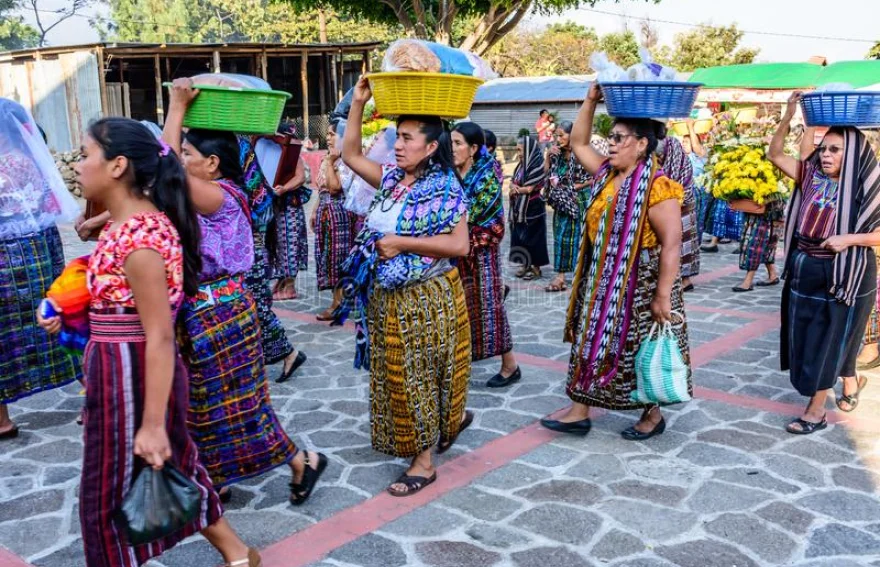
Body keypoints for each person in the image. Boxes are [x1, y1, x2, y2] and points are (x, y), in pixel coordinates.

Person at [41, 117, 260, 567]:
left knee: (107, 493)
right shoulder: (122, 229)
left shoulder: (142, 238)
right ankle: (238, 554)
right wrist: (74, 318)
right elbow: (118, 307)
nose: (78, 166)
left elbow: (158, 335)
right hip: (118, 370)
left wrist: (153, 423)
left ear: (118, 165)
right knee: (174, 465)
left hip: (134, 375)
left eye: (85, 155)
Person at [164, 80, 327, 505]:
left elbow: (162, 175)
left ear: (213, 163)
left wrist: (176, 108)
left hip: (221, 315)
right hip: (204, 313)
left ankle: (301, 461)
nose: (181, 160)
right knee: (206, 404)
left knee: (239, 406)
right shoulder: (202, 196)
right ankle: (215, 477)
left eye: (188, 155)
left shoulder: (222, 196)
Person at [340, 76, 472, 497]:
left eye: (408, 138)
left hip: (427, 298)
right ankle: (428, 434)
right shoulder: (393, 180)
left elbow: (459, 244)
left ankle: (424, 462)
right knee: (396, 375)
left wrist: (401, 242)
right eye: (397, 136)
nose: (398, 145)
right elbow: (349, 154)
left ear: (432, 147)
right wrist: (359, 103)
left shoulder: (446, 188)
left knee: (420, 376)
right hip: (386, 298)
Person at [541, 84, 691, 439]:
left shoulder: (658, 186)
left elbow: (672, 244)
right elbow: (578, 143)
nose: (610, 142)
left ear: (642, 144)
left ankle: (651, 414)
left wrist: (663, 296)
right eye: (611, 135)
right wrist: (591, 100)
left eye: (620, 137)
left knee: (639, 345)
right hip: (602, 277)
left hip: (641, 282)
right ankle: (579, 409)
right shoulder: (607, 174)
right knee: (589, 338)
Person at [773, 93, 880, 431]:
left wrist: (849, 239)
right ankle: (850, 381)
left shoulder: (869, 187)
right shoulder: (811, 177)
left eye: (835, 149)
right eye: (824, 148)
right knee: (811, 335)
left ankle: (816, 411)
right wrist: (790, 115)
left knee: (829, 338)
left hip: (845, 273)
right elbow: (775, 154)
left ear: (855, 155)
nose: (826, 154)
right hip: (805, 266)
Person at [0, 98, 82, 439]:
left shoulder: (8, 165)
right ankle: (94, 393)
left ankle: (2, 420)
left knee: (5, 333)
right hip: (40, 249)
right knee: (59, 315)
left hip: (8, 260)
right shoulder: (32, 159)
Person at [452, 122, 520, 388]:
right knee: (459, 309)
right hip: (455, 252)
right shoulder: (451, 173)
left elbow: (489, 220)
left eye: (458, 143)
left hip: (481, 253)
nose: (452, 148)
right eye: (451, 142)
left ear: (473, 148)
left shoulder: (485, 176)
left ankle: (510, 365)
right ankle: (458, 363)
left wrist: (457, 229)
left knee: (491, 308)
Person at [238, 135, 307, 383]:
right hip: (242, 240)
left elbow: (261, 202)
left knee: (255, 304)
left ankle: (288, 352)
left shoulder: (243, 148)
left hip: (248, 240)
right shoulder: (247, 144)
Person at [312, 119, 357, 321]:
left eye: (333, 134)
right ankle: (339, 299)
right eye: (328, 134)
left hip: (338, 214)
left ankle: (338, 304)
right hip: (325, 210)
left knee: (337, 258)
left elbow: (334, 188)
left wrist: (331, 162)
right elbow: (322, 189)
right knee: (327, 255)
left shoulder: (346, 159)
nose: (329, 137)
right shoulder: (328, 157)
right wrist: (314, 211)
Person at [543, 121, 593, 292]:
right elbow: (547, 174)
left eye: (562, 134)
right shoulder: (556, 153)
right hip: (561, 201)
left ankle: (584, 274)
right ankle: (561, 276)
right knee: (561, 235)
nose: (558, 138)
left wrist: (574, 187)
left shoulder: (584, 153)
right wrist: (548, 156)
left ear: (573, 135)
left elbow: (595, 176)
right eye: (557, 135)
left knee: (583, 236)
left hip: (581, 199)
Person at [270, 127, 310, 302]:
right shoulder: (272, 151)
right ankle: (281, 281)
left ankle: (290, 286)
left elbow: (300, 177)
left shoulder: (292, 153)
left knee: (290, 245)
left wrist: (284, 189)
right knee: (278, 245)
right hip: (277, 207)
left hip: (290, 207)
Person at [656, 136, 700, 291]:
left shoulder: (678, 159)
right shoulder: (663, 162)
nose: (659, 159)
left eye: (661, 156)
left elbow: (681, 187)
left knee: (684, 243)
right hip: (670, 207)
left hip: (684, 207)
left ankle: (685, 279)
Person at [509, 135, 549, 281]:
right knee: (520, 236)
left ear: (529, 150)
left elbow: (530, 188)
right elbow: (514, 181)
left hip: (533, 208)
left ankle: (536, 268)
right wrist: (514, 186)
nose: (519, 154)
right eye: (517, 150)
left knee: (534, 238)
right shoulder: (521, 165)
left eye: (520, 150)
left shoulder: (536, 165)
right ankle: (525, 264)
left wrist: (516, 189)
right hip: (520, 208)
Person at [732, 201, 785, 292]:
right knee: (766, 244)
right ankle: (772, 275)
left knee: (756, 243)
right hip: (760, 207)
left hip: (768, 210)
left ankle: (748, 281)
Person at [682, 120, 709, 240]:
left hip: (697, 193)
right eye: (682, 141)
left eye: (686, 142)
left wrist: (690, 127)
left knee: (695, 222)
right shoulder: (682, 156)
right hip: (683, 193)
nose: (683, 144)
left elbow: (696, 146)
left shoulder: (700, 154)